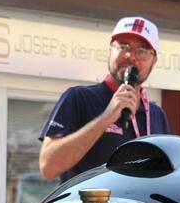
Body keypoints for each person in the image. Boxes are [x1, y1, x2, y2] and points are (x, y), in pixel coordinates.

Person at [38, 17, 170, 181]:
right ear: (110, 51)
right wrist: (105, 119)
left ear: (154, 61)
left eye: (142, 51)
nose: (130, 56)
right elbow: (48, 167)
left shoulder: (157, 114)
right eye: (123, 46)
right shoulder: (78, 98)